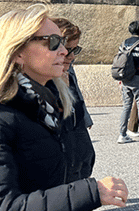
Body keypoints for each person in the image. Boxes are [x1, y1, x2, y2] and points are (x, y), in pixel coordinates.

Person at [0, 3, 128, 210]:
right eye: (53, 42)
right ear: (18, 52)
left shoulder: (45, 105)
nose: (64, 51)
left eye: (64, 43)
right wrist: (90, 192)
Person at [51, 17, 95, 180]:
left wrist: (84, 116)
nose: (70, 56)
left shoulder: (67, 69)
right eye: (68, 49)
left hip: (76, 126)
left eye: (75, 50)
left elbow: (76, 94)